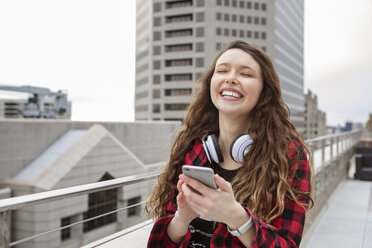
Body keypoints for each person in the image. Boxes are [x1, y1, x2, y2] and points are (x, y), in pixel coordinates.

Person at [145, 40, 314, 248]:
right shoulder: (194, 148)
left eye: (246, 74)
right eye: (223, 70)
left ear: (264, 90)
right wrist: (182, 218)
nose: (231, 78)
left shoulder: (287, 154)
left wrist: (235, 217)